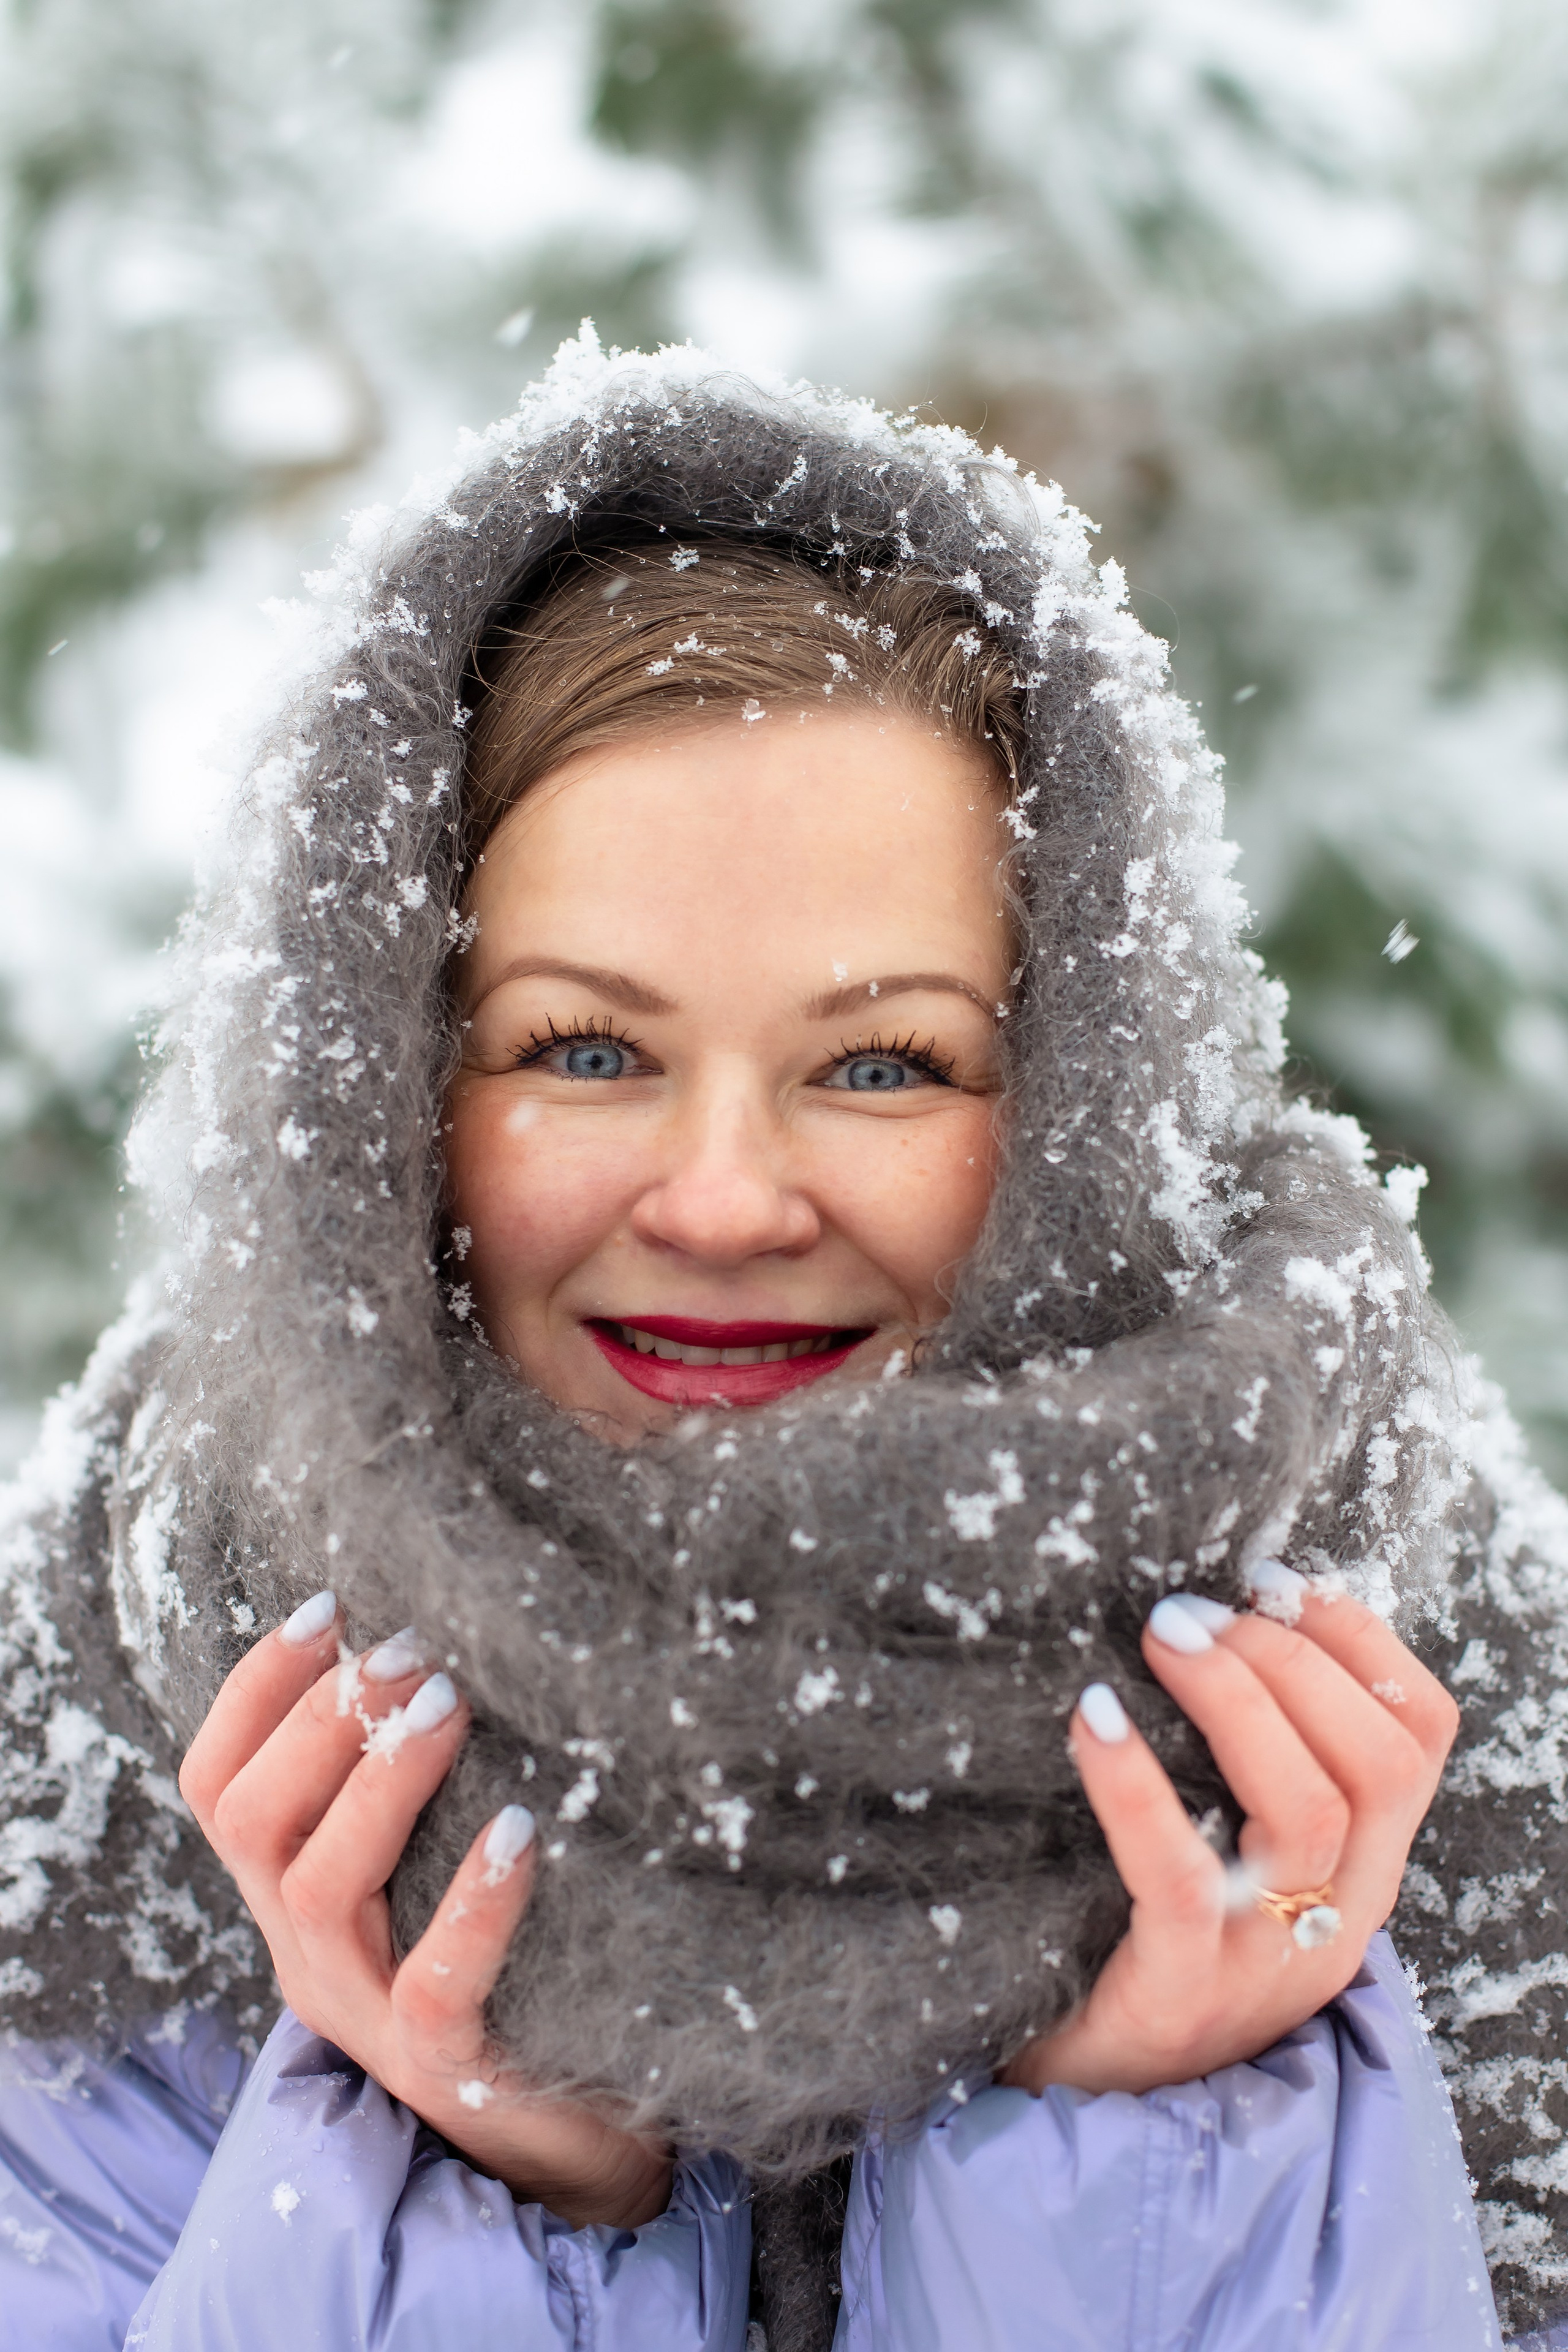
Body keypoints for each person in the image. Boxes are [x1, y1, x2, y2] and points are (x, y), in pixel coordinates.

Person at [1, 332, 1564, 2349]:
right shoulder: (94, 1777)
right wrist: (471, 2211)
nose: (728, 1198)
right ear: (385, 1081)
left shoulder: (1434, 1734)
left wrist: (1162, 2174)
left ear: (1087, 1093)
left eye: (888, 1063)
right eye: (583, 1046)